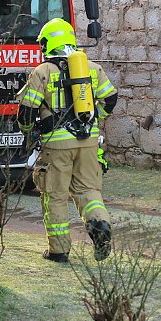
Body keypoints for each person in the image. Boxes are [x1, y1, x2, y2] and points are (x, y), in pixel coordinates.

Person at [17, 18, 118, 263]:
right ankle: (100, 226)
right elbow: (111, 98)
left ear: (48, 44)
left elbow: (27, 112)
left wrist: (28, 130)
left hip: (56, 146)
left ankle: (58, 251)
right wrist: (93, 119)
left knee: (55, 196)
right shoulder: (92, 69)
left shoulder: (42, 72)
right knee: (89, 191)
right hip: (88, 142)